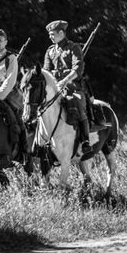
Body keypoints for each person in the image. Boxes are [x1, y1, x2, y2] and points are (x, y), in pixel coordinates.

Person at [43, 20, 92, 154]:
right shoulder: (50, 51)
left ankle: (85, 140)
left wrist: (65, 80)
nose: (50, 37)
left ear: (61, 33)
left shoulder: (73, 47)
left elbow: (78, 68)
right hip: (55, 87)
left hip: (72, 86)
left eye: (52, 34)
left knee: (78, 103)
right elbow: (46, 71)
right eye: (49, 34)